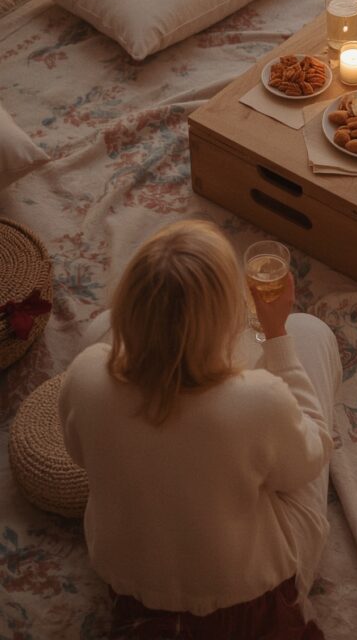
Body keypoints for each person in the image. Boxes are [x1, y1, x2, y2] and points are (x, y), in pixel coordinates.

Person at [59, 219, 342, 640]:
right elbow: (312, 457)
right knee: (311, 333)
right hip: (249, 601)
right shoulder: (258, 400)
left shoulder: (83, 375)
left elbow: (80, 455)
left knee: (98, 327)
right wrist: (278, 334)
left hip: (134, 589)